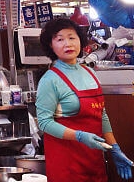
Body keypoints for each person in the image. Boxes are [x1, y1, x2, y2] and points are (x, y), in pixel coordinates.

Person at [36, 17, 134, 181]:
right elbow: (44, 122)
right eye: (60, 39)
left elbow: (101, 114)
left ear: (80, 41)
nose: (67, 43)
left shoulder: (90, 72)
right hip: (66, 165)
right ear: (51, 46)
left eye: (72, 37)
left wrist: (114, 147)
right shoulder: (50, 80)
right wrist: (79, 136)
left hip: (93, 162)